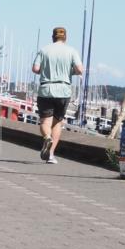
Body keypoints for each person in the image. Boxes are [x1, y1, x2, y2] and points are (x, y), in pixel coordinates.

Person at [31, 27, 83, 164]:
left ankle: (47, 137)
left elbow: (35, 69)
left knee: (45, 122)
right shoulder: (72, 51)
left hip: (46, 89)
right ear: (65, 37)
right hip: (63, 90)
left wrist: (46, 70)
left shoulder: (44, 50)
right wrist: (69, 72)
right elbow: (79, 69)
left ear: (53, 37)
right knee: (58, 122)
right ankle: (51, 155)